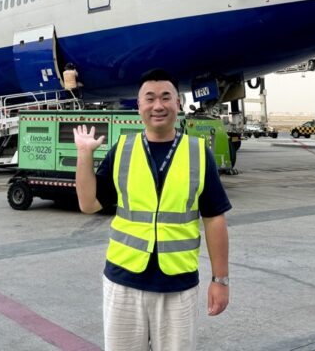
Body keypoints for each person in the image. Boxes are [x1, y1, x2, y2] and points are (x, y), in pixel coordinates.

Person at [74, 69, 231, 351]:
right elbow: (88, 204)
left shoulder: (197, 152)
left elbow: (214, 218)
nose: (158, 105)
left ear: (178, 104)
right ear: (139, 107)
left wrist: (220, 280)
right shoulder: (122, 149)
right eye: (150, 99)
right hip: (123, 281)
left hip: (177, 286)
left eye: (165, 97)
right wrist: (84, 156)